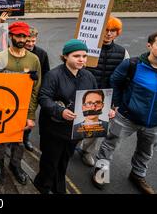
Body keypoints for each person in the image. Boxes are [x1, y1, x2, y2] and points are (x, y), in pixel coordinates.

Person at [92, 31, 157, 194]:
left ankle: (138, 175)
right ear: (149, 45)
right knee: (109, 145)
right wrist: (117, 104)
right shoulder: (132, 64)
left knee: (146, 152)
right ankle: (101, 172)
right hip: (126, 117)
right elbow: (115, 81)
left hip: (155, 123)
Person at [33, 39, 115, 194]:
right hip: (54, 129)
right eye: (76, 56)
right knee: (50, 160)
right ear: (65, 56)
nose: (81, 59)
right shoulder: (54, 75)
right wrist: (59, 111)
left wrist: (106, 111)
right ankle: (43, 184)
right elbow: (44, 98)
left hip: (75, 130)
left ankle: (58, 185)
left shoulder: (88, 76)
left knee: (64, 160)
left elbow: (95, 97)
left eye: (84, 56)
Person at [0, 22, 41, 186]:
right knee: (0, 139)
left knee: (18, 141)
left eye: (24, 36)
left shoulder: (34, 60)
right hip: (1, 109)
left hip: (22, 110)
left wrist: (30, 115)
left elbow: (35, 89)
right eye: (18, 35)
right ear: (11, 36)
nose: (21, 39)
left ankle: (15, 165)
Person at [78, 16, 129, 166]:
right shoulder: (87, 49)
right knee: (78, 123)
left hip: (105, 96)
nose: (108, 33)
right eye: (106, 30)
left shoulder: (122, 52)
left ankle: (86, 151)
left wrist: (116, 103)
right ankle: (71, 146)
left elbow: (124, 79)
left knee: (96, 127)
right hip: (85, 92)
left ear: (117, 33)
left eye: (112, 30)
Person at [22, 25, 51, 152]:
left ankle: (25, 138)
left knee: (30, 115)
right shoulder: (17, 50)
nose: (30, 43)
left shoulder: (42, 54)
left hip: (34, 91)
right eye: (28, 41)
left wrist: (42, 91)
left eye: (33, 41)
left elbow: (46, 73)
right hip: (19, 90)